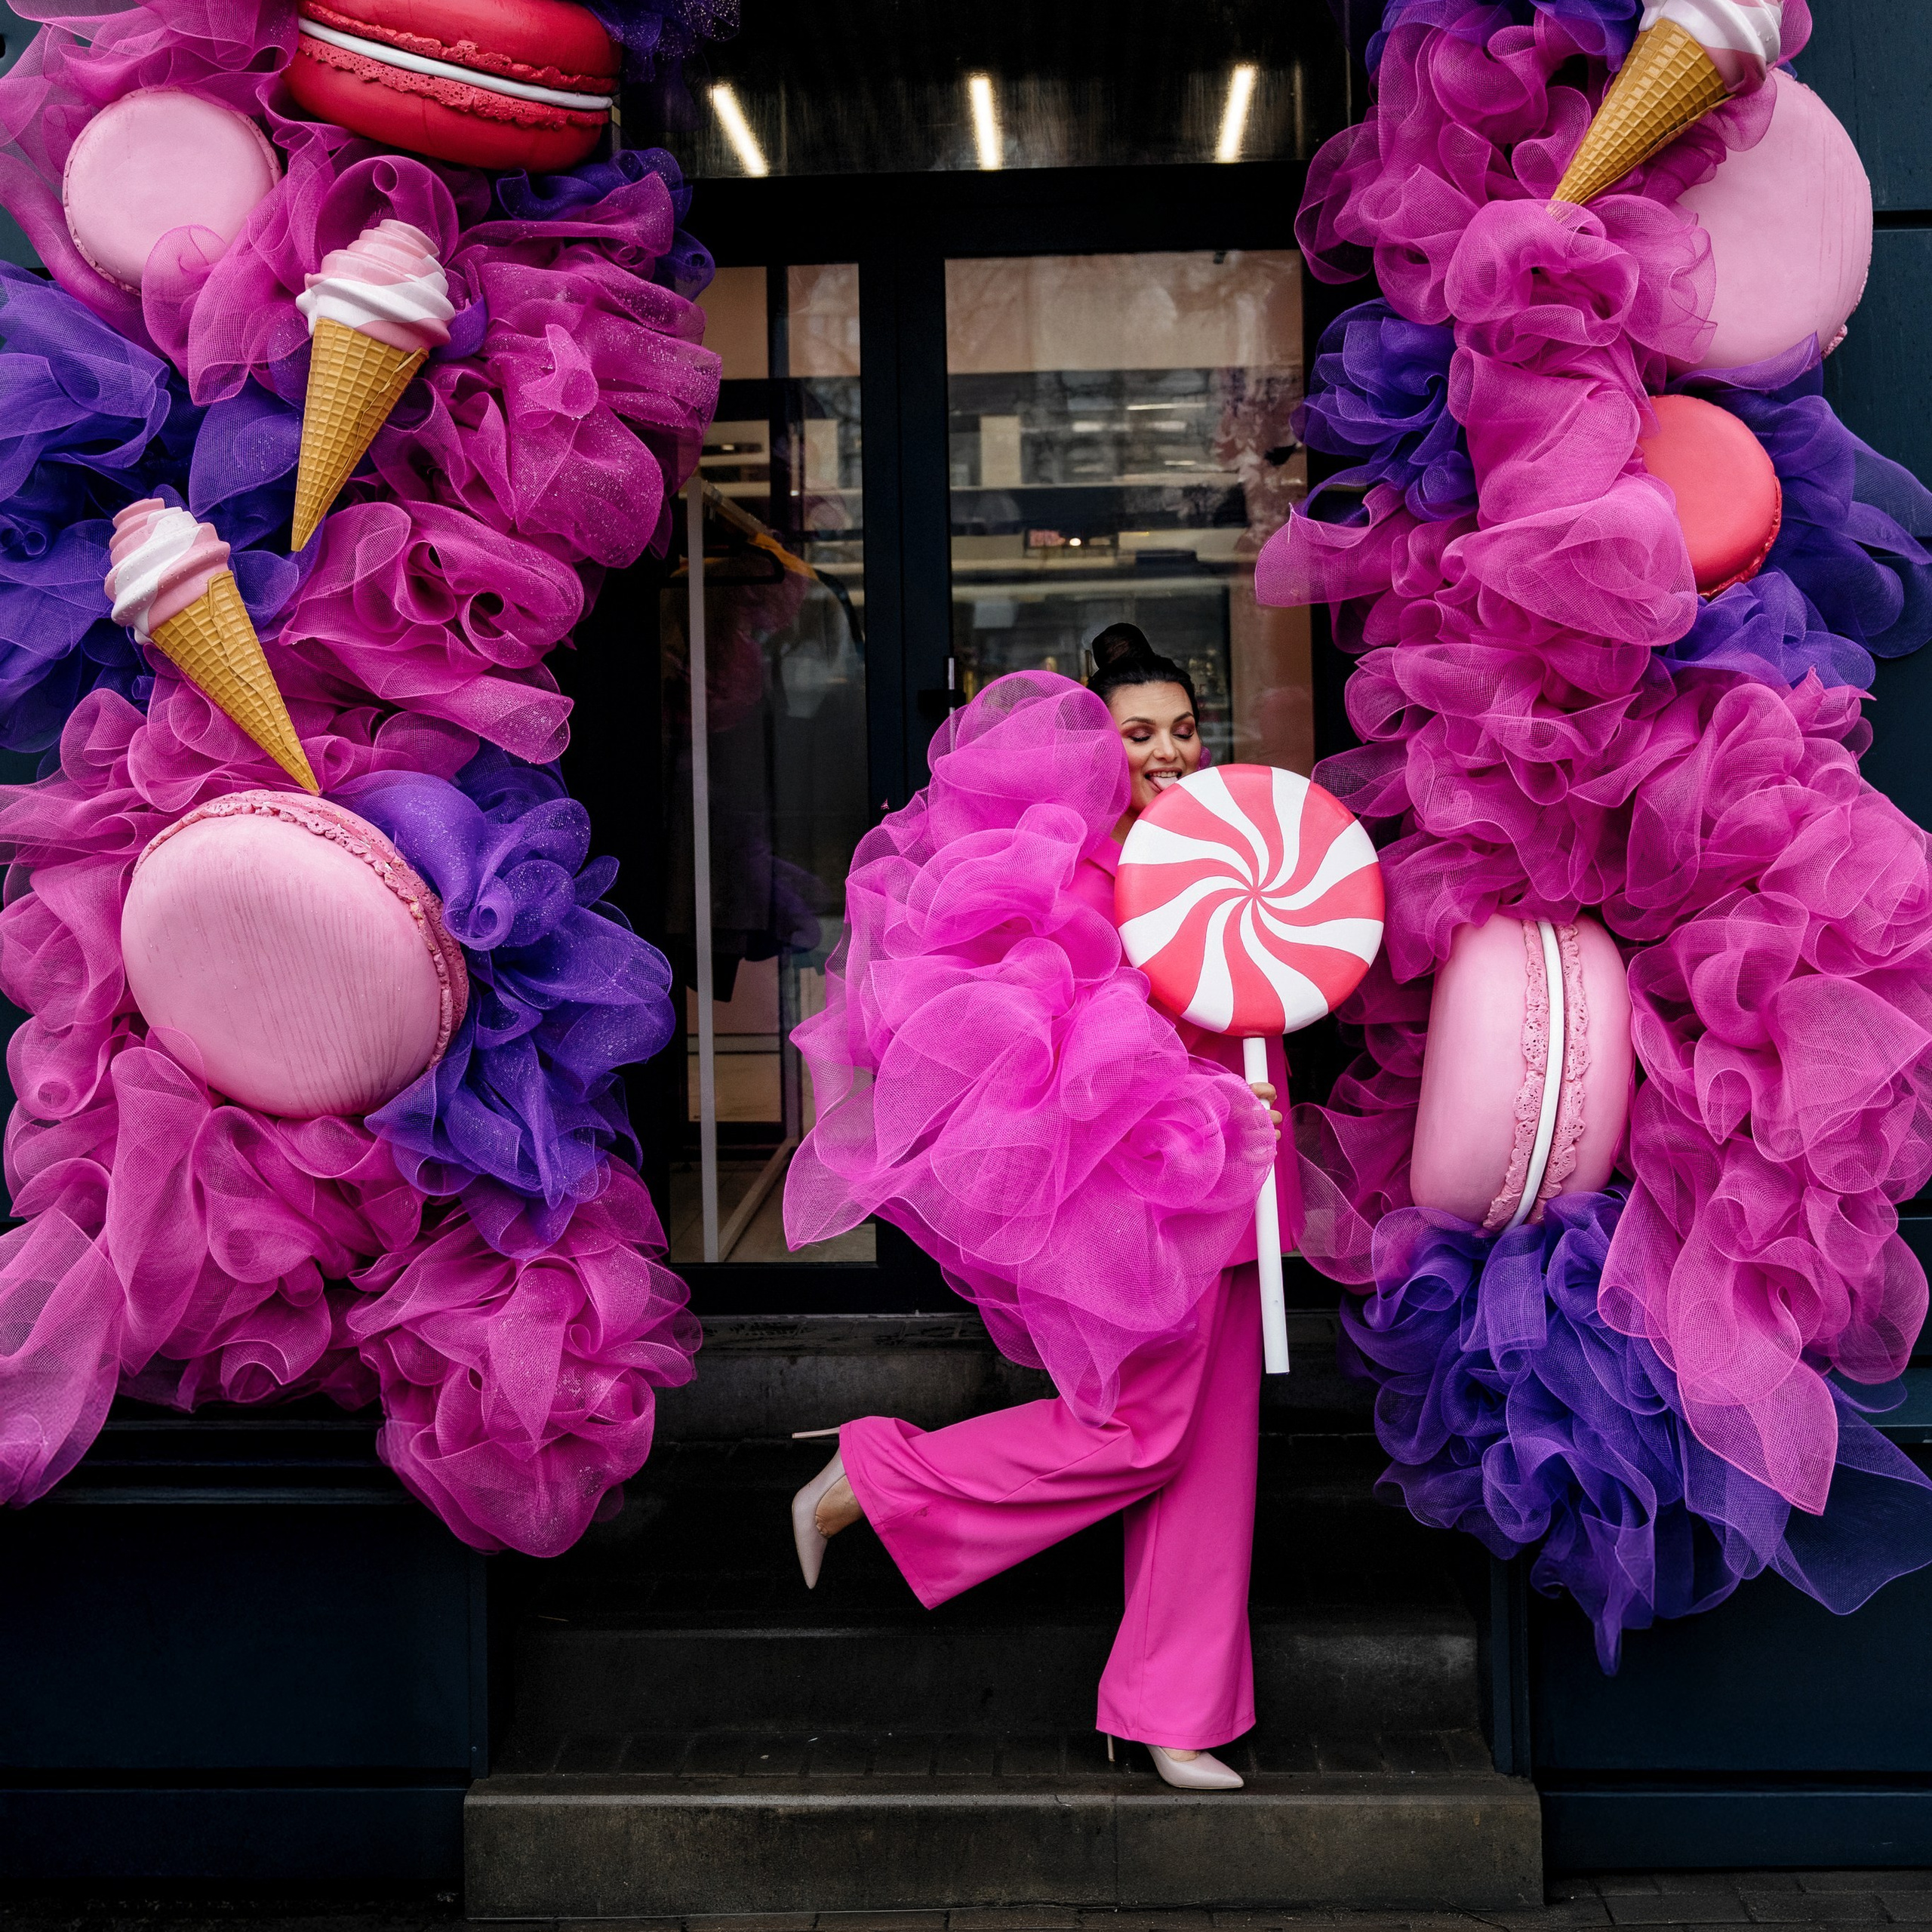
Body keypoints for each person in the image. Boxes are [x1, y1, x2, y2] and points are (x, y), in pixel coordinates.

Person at [781, 625, 1300, 1791]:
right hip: (1148, 1205)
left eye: (1184, 729)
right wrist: (1201, 1115)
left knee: (1210, 1461)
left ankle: (1172, 1713)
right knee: (1143, 1433)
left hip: (1242, 1184)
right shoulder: (1084, 879)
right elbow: (1060, 1057)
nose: (1168, 752)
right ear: (1102, 753)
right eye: (1139, 733)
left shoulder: (1230, 854)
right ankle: (875, 1480)